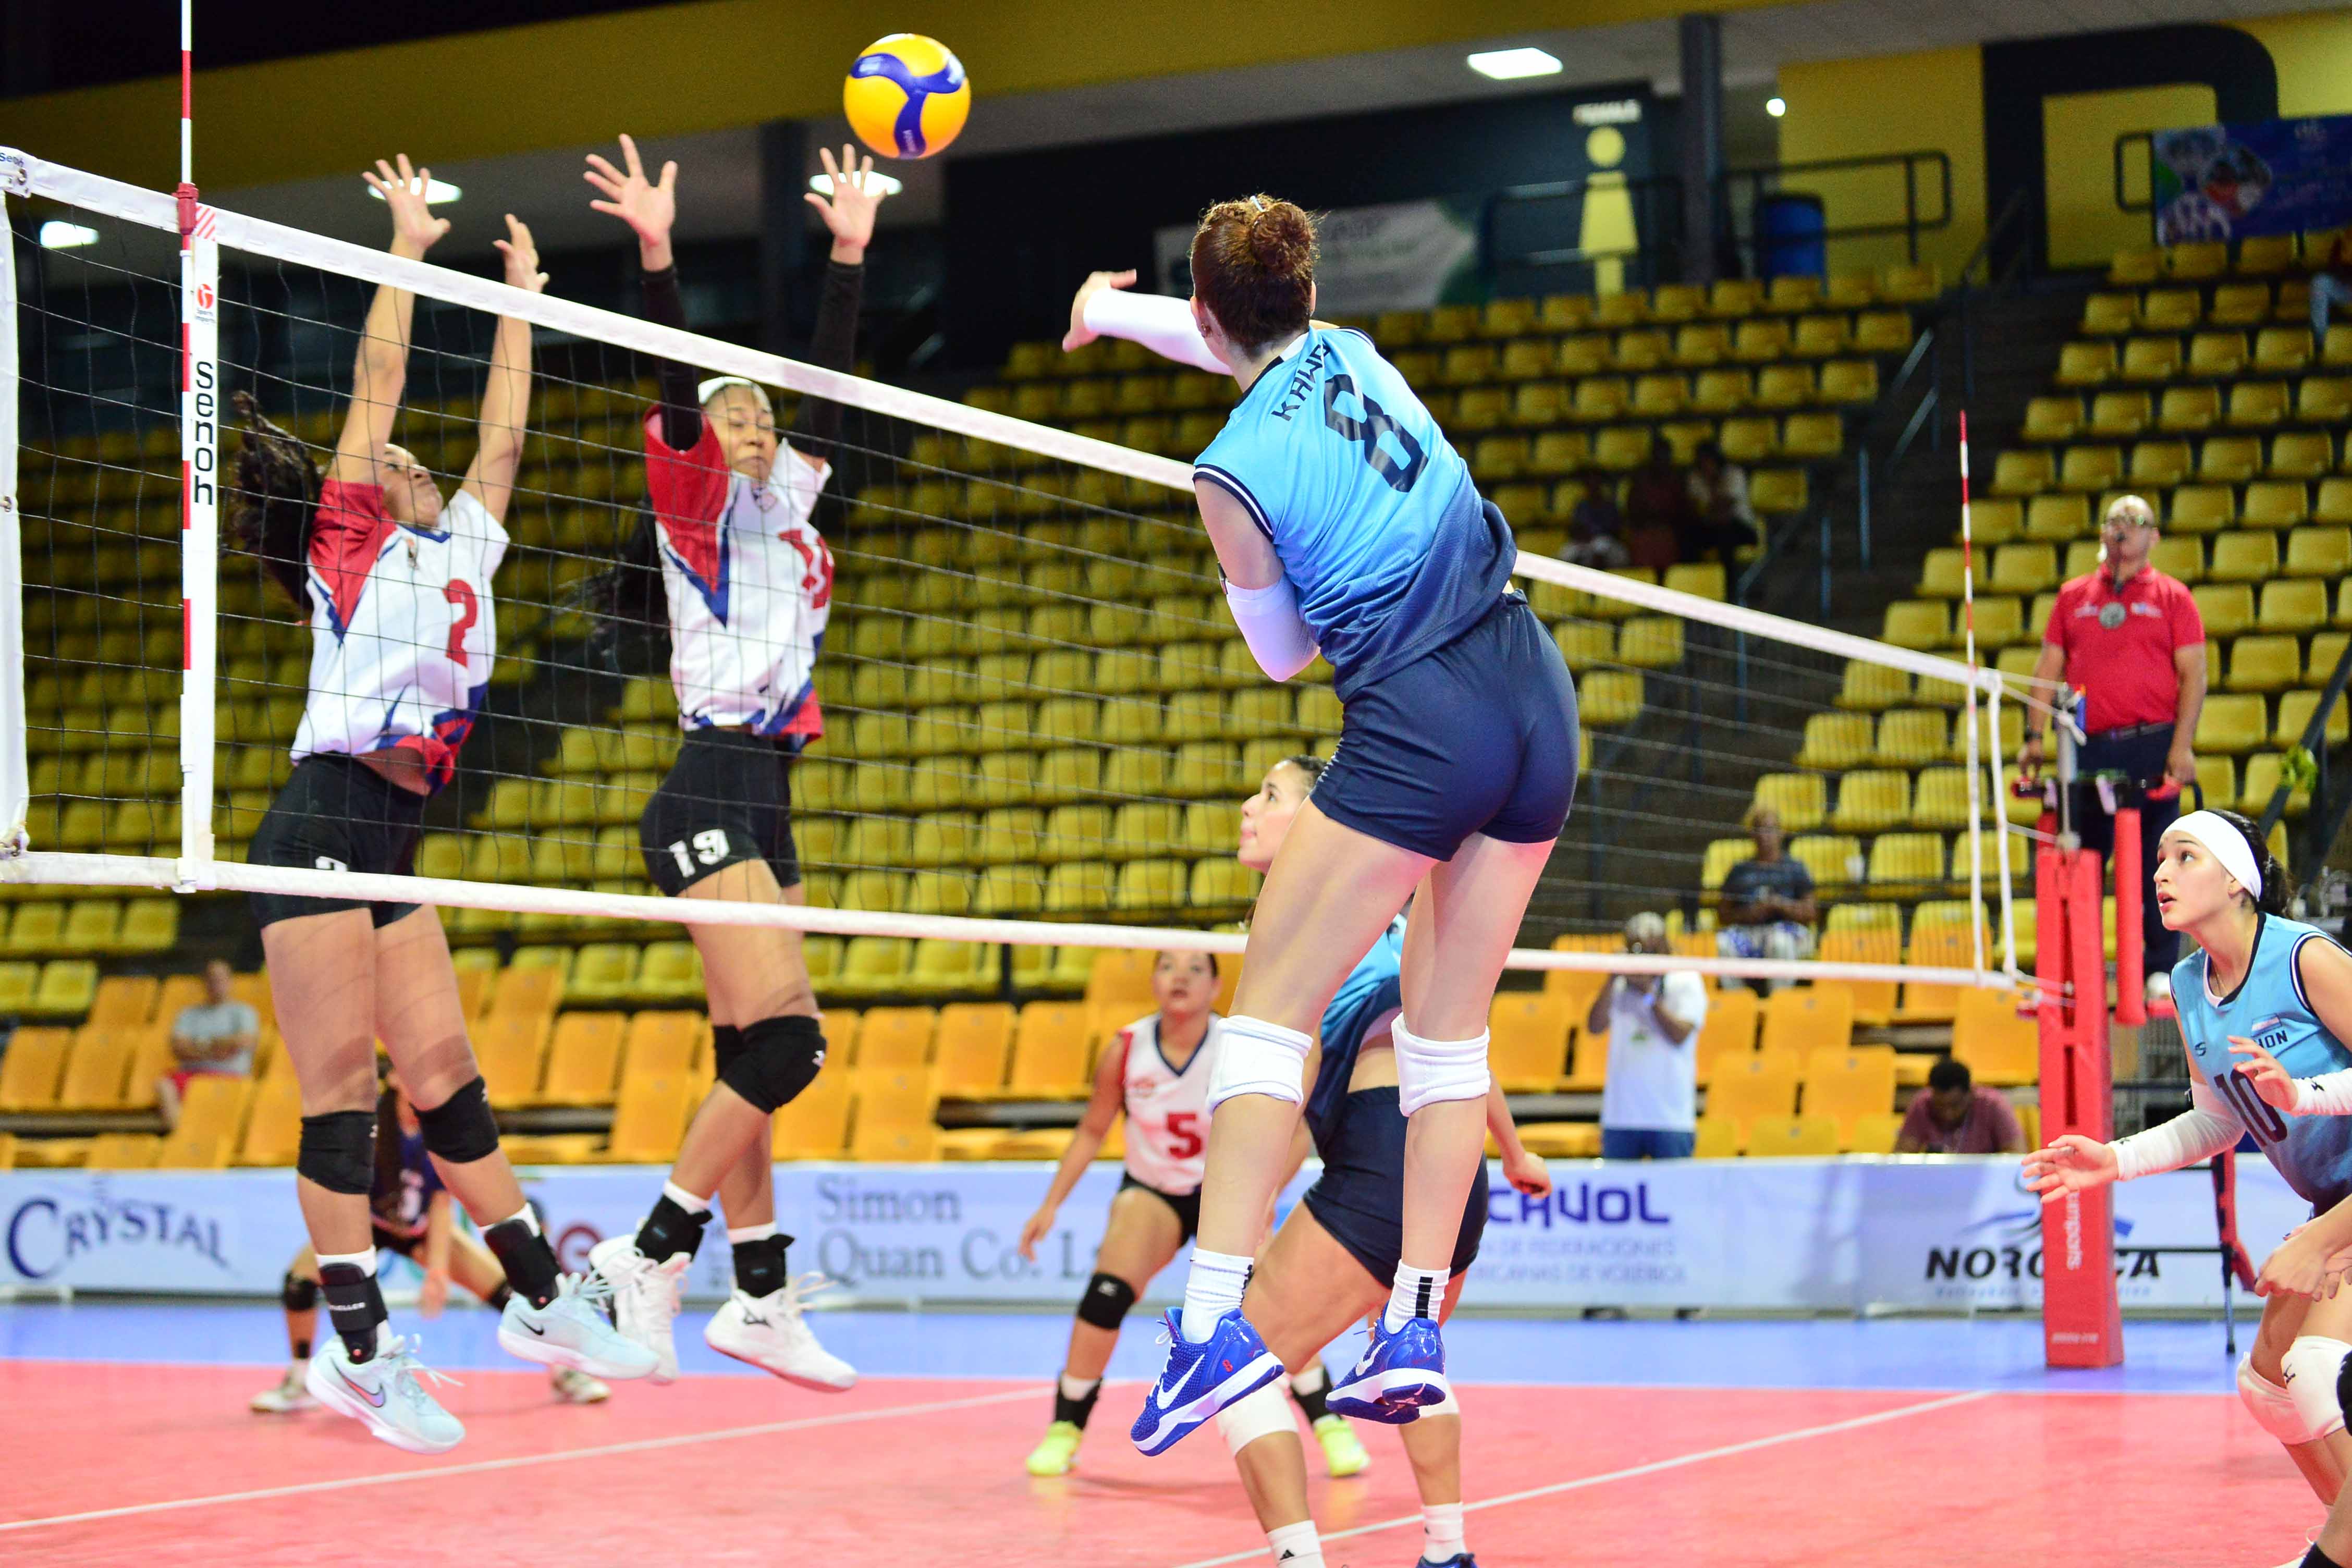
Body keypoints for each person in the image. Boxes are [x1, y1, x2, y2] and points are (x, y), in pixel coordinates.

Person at [1063, 194, 1578, 1455]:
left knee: (1263, 1019)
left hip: (1423, 718)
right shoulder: (1352, 351)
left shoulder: (1226, 472)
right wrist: (1107, 316)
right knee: (1448, 1040)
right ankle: (1412, 1327)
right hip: (1536, 693)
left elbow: (1285, 654)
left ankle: (1207, 1323)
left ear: (1206, 313)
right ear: (1301, 292)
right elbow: (1235, 339)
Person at [228, 156, 653, 1454]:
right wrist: (407, 250)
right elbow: (381, 381)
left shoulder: (466, 541)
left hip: (398, 833)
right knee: (340, 1101)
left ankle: (541, 1299)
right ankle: (359, 1354)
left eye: (419, 460)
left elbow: (503, 437)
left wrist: (520, 298)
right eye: (394, 459)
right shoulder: (348, 541)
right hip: (322, 818)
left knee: (449, 1079)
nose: (411, 459)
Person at [577, 134, 877, 1390]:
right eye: (732, 411)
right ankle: (646, 1255)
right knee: (792, 1049)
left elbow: (837, 394)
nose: (753, 422)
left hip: (771, 788)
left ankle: (758, 1293)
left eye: (762, 410)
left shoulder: (793, 501)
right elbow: (671, 377)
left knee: (750, 1049)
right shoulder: (690, 495)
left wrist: (850, 253)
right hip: (706, 779)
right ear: (702, 435)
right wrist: (657, 254)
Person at [1210, 755, 1552, 1568]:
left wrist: (1244, 1208)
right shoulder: (1395, 920)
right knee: (1406, 1357)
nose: (1248, 807)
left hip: (1381, 1162)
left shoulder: (1299, 914)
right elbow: (1458, 1058)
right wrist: (1514, 1150)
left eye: (1270, 795)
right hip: (1453, 1175)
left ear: (1318, 818)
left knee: (1234, 1373)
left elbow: (1289, 1078)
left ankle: (1300, 1560)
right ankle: (1446, 1550)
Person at [2024, 808, 2352, 1554]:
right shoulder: (2187, 984)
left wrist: (2304, 1096)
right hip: (2335, 1199)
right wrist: (2114, 1159)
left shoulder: (2303, 958)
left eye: (2184, 856)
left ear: (2237, 880)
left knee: (2316, 1368)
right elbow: (2217, 1121)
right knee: (2268, 1388)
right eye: (2160, 858)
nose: (2160, 872)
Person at [1014, 949, 1367, 1481]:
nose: (1179, 976)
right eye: (1167, 966)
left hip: (1228, 1192)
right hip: (1154, 1190)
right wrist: (1050, 1205)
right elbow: (1092, 1130)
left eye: (1195, 968)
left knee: (1270, 1305)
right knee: (1105, 1294)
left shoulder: (1234, 1044)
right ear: (1153, 980)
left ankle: (1329, 1424)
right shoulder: (1127, 1047)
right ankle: (1065, 1427)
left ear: (1216, 986)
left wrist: (1267, 1192)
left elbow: (1295, 1128)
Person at [252, 1080, 609, 1415]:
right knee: (299, 1282)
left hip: (420, 1229)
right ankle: (300, 1378)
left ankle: (566, 1371)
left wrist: (437, 1271)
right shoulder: (368, 1123)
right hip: (366, 1224)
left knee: (509, 1293)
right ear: (395, 1079)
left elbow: (441, 1204)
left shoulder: (439, 1128)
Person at [2019, 492, 2204, 1007]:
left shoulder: (2174, 597)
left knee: (2156, 864)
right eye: (2115, 520)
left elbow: (2194, 675)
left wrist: (2182, 746)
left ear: (2153, 536)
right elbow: (2047, 670)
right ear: (2103, 533)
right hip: (2086, 749)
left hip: (2151, 745)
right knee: (2078, 862)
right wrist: (2034, 737)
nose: (2123, 527)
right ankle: (2068, 973)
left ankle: (2159, 969)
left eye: (2135, 520)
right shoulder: (2072, 597)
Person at [1591, 913, 1708, 1160]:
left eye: (1649, 949)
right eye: (1636, 949)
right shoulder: (1619, 985)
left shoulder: (1686, 979)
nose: (1642, 957)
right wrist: (1611, 979)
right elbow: (1594, 1027)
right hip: (1621, 1117)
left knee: (1674, 1185)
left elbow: (1679, 1035)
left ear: (1664, 947)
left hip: (1670, 1119)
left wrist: (1648, 994)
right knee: (1618, 1184)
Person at [1713, 806, 1817, 989]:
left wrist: (1780, 905)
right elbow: (1723, 915)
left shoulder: (1795, 869)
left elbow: (1811, 913)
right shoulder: (1740, 871)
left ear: (1781, 833)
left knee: (1779, 942)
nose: (1765, 836)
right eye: (1760, 830)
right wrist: (1751, 913)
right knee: (1723, 942)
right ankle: (1737, 1001)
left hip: (1786, 932)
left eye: (1770, 830)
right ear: (1752, 835)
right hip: (1750, 932)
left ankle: (1780, 1001)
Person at [156, 959, 258, 1131]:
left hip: (230, 1076)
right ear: (204, 982)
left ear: (230, 981)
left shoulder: (243, 1012)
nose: (216, 984)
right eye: (212, 979)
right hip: (193, 1076)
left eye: (221, 979)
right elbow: (178, 1047)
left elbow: (244, 1041)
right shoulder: (188, 1014)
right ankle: (181, 1135)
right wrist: (219, 1047)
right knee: (164, 1085)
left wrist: (200, 1045)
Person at [1895, 1058, 2024, 1154]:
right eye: (1940, 1106)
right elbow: (1901, 1156)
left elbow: (2016, 1155)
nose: (1948, 1114)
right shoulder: (1922, 1104)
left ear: (1970, 1093)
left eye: (1955, 1105)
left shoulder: (1993, 1104)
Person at [1682, 440, 1758, 564]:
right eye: (1701, 462)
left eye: (1708, 461)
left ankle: (1729, 577)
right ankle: (1695, 574)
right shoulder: (1695, 477)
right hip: (1711, 526)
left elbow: (1725, 508)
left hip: (1742, 527)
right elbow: (1693, 506)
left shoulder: (1734, 474)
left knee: (1725, 532)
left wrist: (1712, 483)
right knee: (1688, 534)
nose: (1705, 465)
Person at [1622, 437, 1693, 569]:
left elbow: (1684, 511)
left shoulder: (1676, 479)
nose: (1662, 460)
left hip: (1669, 530)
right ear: (1653, 457)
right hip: (1644, 529)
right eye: (1659, 456)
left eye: (1665, 456)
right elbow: (1632, 509)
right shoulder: (1640, 478)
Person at [1562, 470, 1629, 569]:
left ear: (1600, 487)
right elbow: (1575, 529)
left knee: (1601, 546)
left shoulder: (1610, 506)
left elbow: (1616, 531)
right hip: (1585, 542)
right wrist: (1583, 537)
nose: (1593, 489)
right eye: (1590, 486)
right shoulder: (1581, 506)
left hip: (1606, 542)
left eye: (1596, 485)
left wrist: (1596, 536)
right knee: (1567, 553)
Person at [2312, 230, 2352, 342]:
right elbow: (2332, 269)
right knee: (2320, 282)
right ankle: (2321, 341)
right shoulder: (2342, 241)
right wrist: (2345, 260)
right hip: (2345, 289)